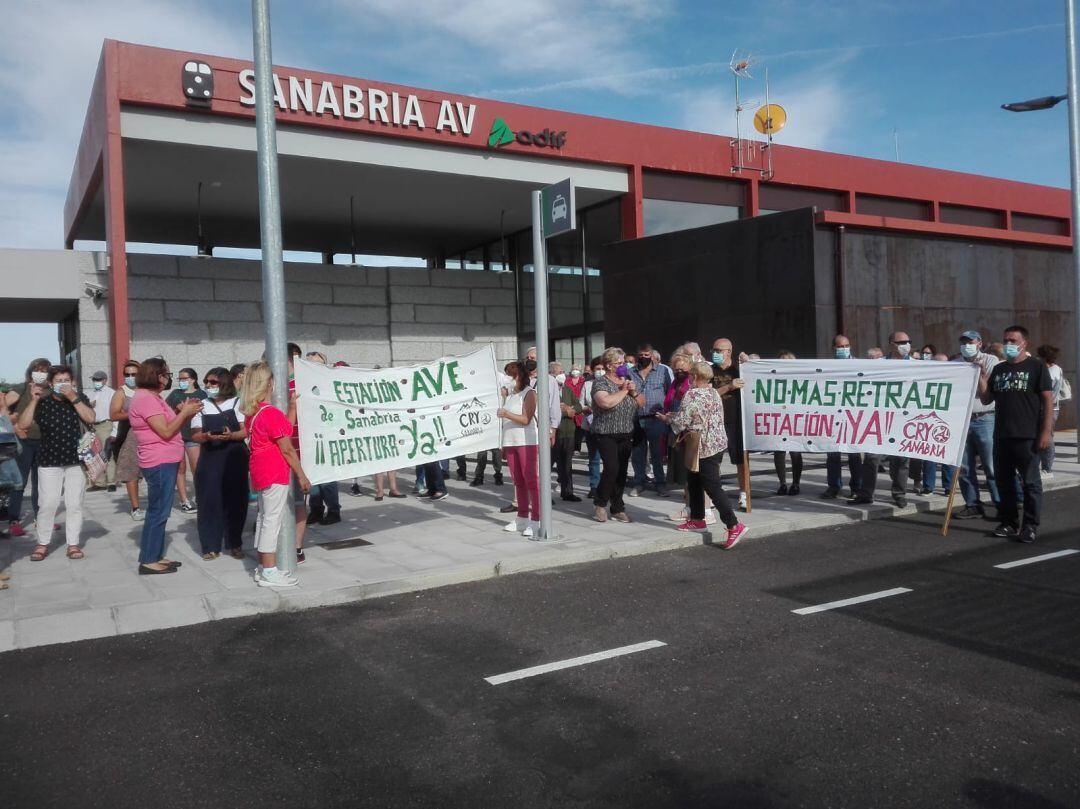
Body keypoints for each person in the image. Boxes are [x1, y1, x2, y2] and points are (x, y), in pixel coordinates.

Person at [658, 362, 749, 549]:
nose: (689, 378)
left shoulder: (691, 394)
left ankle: (734, 525)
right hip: (716, 443)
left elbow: (682, 422)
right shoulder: (713, 392)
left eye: (691, 374)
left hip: (702, 445)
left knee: (712, 485)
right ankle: (698, 519)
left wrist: (667, 418)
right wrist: (679, 414)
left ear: (695, 376)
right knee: (694, 479)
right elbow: (698, 414)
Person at [978, 326, 1053, 543]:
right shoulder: (1000, 370)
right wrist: (983, 377)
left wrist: (1045, 432)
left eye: (1013, 340)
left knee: (1030, 483)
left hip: (1028, 436)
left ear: (1024, 344)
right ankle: (1009, 522)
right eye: (1005, 340)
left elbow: (1048, 400)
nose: (1008, 344)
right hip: (1002, 435)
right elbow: (986, 399)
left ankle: (1029, 526)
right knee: (1004, 482)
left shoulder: (1036, 367)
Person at [129, 358, 203, 574]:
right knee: (158, 511)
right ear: (157, 376)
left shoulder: (153, 397)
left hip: (165, 459)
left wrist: (185, 411)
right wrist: (185, 413)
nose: (169, 378)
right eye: (167, 374)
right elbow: (166, 431)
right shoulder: (145, 398)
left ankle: (155, 554)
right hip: (158, 460)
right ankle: (149, 560)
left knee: (161, 511)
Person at [241, 361, 311, 587]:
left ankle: (264, 567)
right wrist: (301, 475)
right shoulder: (269, 412)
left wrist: (292, 408)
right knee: (272, 520)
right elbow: (287, 448)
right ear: (269, 383)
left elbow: (284, 430)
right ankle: (269, 570)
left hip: (260, 469)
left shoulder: (255, 411)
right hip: (273, 469)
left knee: (264, 518)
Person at [17, 365, 97, 560]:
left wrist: (73, 398)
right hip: (49, 461)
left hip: (76, 461)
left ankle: (73, 544)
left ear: (73, 382)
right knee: (47, 503)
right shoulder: (43, 402)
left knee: (74, 503)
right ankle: (42, 543)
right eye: (58, 381)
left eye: (66, 380)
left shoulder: (79, 399)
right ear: (50, 384)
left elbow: (91, 418)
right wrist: (34, 399)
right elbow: (23, 425)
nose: (63, 384)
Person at [191, 367, 249, 560]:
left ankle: (235, 543)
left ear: (224, 383)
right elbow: (195, 435)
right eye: (206, 382)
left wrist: (231, 435)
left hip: (235, 456)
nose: (208, 385)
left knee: (236, 500)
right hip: (210, 456)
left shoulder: (238, 402)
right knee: (209, 500)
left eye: (213, 382)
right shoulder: (200, 405)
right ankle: (210, 545)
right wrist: (206, 436)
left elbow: (245, 431)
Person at [851, 331, 912, 508]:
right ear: (891, 344)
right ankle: (866, 493)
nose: (906, 344)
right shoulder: (878, 364)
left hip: (903, 419)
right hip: (879, 419)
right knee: (871, 457)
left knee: (901, 459)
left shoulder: (918, 365)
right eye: (902, 342)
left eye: (908, 341)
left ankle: (899, 494)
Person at [590, 347, 644, 523]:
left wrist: (634, 392)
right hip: (606, 433)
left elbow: (642, 403)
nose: (623, 366)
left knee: (621, 472)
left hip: (626, 432)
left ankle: (617, 507)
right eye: (619, 363)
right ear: (609, 365)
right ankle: (600, 503)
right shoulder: (601, 383)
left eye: (624, 363)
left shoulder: (627, 379)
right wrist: (624, 391)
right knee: (611, 468)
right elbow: (605, 402)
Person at [953, 330, 1001, 520]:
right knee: (964, 467)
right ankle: (972, 504)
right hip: (963, 420)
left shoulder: (990, 361)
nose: (967, 345)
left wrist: (980, 373)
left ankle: (1001, 504)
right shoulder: (955, 364)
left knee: (991, 466)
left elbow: (987, 389)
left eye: (970, 342)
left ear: (979, 343)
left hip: (985, 418)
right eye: (963, 342)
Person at [4, 357, 51, 536]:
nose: (41, 373)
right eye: (38, 369)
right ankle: (14, 520)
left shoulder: (50, 390)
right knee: (20, 482)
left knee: (41, 483)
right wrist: (14, 423)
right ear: (31, 371)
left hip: (44, 442)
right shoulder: (21, 388)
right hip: (23, 442)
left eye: (45, 370)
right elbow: (2, 409)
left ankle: (41, 519)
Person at [498, 360, 540, 537]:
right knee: (518, 481)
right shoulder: (510, 395)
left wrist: (507, 413)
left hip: (526, 441)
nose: (508, 378)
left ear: (519, 376)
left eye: (511, 374)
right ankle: (522, 516)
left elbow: (526, 419)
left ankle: (537, 519)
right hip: (510, 441)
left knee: (531, 480)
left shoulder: (529, 393)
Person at [301, 352, 342, 526]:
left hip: (326, 437)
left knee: (327, 478)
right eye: (309, 364)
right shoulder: (303, 386)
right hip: (309, 439)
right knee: (312, 477)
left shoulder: (329, 386)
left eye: (317, 364)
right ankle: (316, 509)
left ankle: (334, 510)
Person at [629, 343, 673, 497]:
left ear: (652, 355)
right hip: (636, 417)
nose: (644, 357)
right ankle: (639, 483)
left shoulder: (662, 371)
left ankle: (660, 483)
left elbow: (669, 392)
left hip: (656, 417)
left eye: (647, 355)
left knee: (657, 453)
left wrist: (668, 415)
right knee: (638, 453)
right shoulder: (630, 372)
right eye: (641, 355)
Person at [710, 338, 748, 510]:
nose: (716, 353)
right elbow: (707, 394)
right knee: (714, 460)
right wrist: (729, 387)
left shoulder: (739, 369)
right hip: (716, 420)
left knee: (741, 459)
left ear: (729, 352)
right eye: (714, 350)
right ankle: (713, 493)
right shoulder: (710, 370)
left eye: (719, 350)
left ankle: (744, 493)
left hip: (736, 420)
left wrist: (749, 362)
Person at [822, 334, 862, 499]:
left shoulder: (860, 365)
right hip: (834, 416)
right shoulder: (827, 366)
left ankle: (856, 487)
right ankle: (834, 486)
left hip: (854, 416)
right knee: (832, 453)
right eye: (840, 347)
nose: (844, 349)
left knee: (854, 454)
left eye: (846, 346)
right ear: (834, 348)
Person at [166, 367, 206, 513]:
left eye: (184, 379)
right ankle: (184, 500)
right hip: (176, 436)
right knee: (180, 469)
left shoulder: (202, 394)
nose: (182, 382)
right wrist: (178, 410)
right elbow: (166, 412)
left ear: (193, 379)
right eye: (180, 379)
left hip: (193, 436)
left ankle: (200, 495)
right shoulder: (175, 394)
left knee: (197, 468)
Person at [110, 359, 145, 520]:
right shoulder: (121, 392)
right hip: (129, 437)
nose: (130, 377)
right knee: (131, 472)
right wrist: (134, 413)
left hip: (149, 435)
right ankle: (135, 507)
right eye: (127, 374)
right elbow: (114, 414)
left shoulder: (146, 390)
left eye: (134, 374)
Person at [773, 350, 803, 495]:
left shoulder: (799, 379)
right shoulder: (774, 378)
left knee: (795, 453)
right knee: (779, 452)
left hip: (795, 419)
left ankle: (796, 484)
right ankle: (782, 483)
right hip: (779, 419)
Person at [551, 362, 582, 502]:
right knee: (548, 464)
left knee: (567, 464)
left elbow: (579, 406)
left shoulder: (567, 390)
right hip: (553, 433)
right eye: (559, 372)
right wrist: (561, 409)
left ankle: (567, 492)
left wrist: (571, 409)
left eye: (563, 371)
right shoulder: (546, 389)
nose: (562, 375)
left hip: (568, 432)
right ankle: (544, 495)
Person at [578, 356, 605, 499]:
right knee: (594, 458)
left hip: (607, 426)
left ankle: (607, 485)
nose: (600, 371)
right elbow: (580, 403)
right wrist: (585, 408)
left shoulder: (611, 384)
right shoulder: (587, 385)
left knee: (608, 458)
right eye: (597, 369)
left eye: (602, 369)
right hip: (590, 425)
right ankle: (594, 486)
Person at [85, 370, 116, 491]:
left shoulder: (111, 393)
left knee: (107, 453)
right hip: (92, 426)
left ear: (105, 380)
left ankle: (111, 481)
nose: (96, 382)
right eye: (94, 380)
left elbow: (114, 411)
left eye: (98, 379)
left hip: (105, 424)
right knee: (94, 455)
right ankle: (99, 482)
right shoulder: (89, 393)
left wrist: (115, 430)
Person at [1036, 344, 1064, 478]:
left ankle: (1047, 469)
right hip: (1042, 407)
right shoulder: (1052, 368)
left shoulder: (1052, 371)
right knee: (1037, 436)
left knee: (1048, 437)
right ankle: (1038, 467)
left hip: (1050, 407)